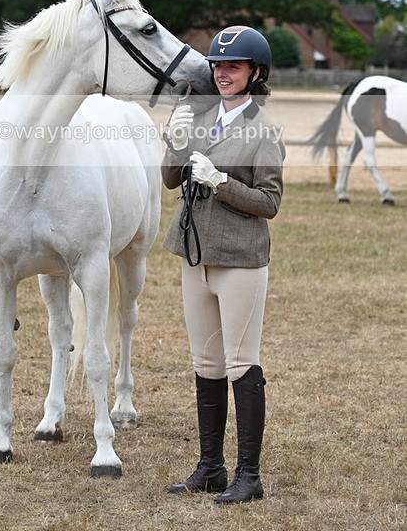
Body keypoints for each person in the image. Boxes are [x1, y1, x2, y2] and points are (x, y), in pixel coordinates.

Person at [161, 25, 285, 505]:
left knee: (240, 363)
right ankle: (210, 467)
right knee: (205, 363)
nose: (223, 73)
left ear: (255, 73)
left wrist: (221, 183)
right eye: (218, 66)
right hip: (195, 254)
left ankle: (248, 476)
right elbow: (172, 180)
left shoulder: (265, 132)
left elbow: (269, 202)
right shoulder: (200, 117)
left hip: (239, 260)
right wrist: (174, 141)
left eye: (233, 67)